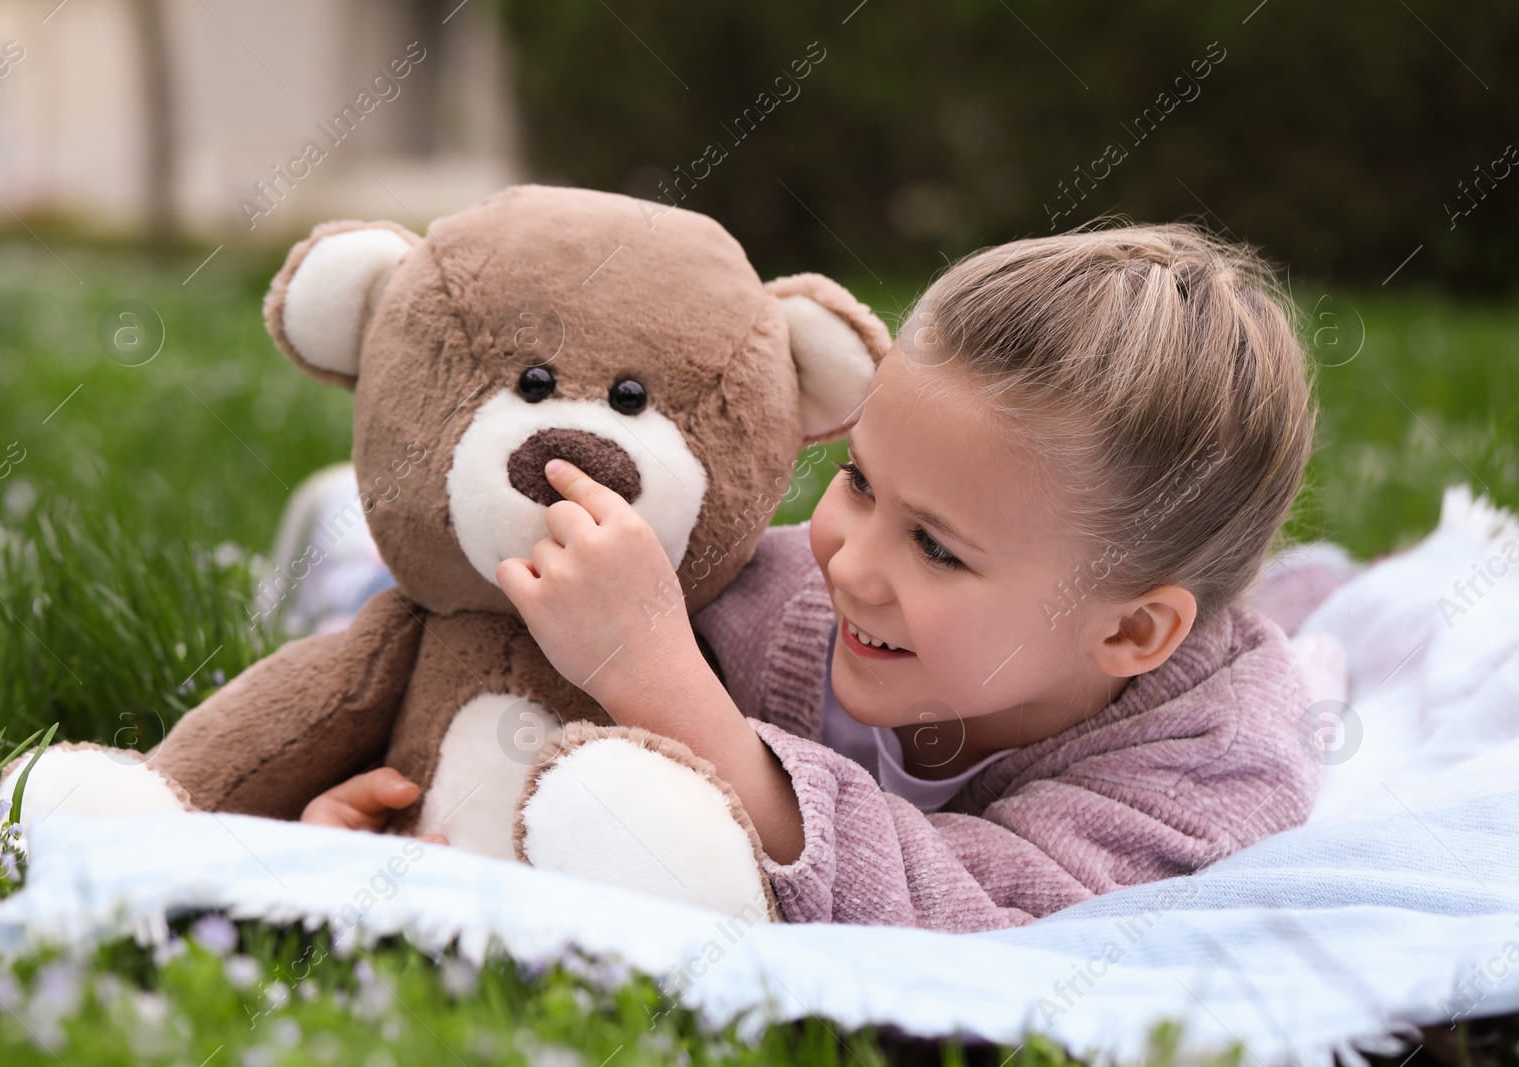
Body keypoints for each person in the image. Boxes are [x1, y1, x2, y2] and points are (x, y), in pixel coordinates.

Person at [302, 222, 1335, 931]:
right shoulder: (779, 594)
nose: (853, 560)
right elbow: (523, 694)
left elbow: (991, 919)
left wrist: (659, 681)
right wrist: (414, 805)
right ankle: (342, 542)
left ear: (1129, 635)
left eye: (936, 545)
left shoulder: (1209, 768)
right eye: (856, 480)